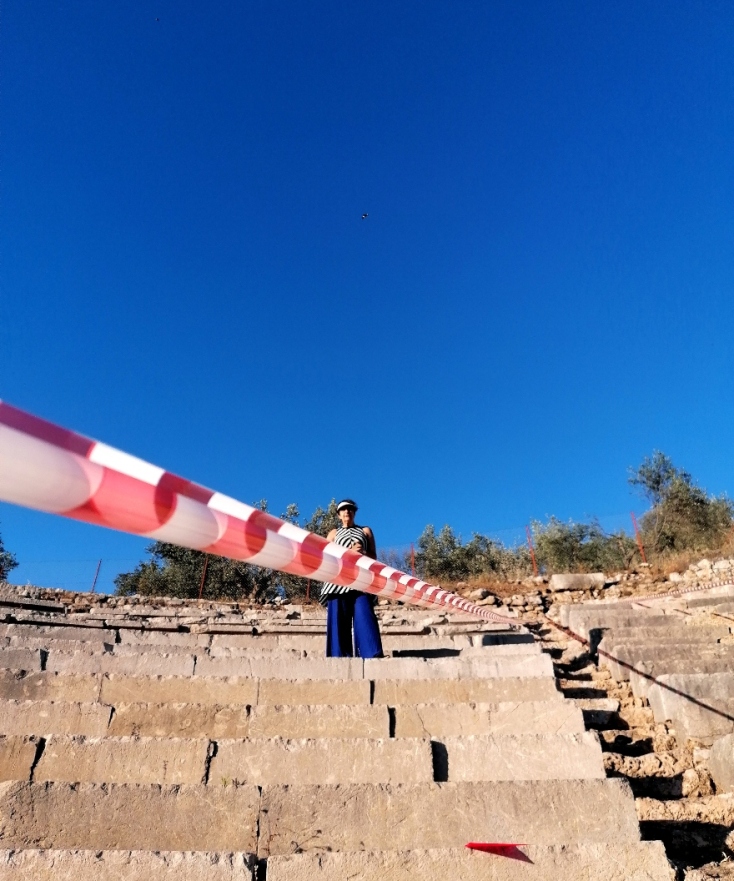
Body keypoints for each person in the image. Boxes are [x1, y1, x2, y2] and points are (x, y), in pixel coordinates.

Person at [321, 498, 383, 658]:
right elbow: (326, 556)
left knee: (365, 614)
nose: (347, 511)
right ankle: (339, 657)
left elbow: (373, 556)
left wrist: (362, 552)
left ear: (354, 512)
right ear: (338, 515)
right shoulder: (333, 533)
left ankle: (372, 654)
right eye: (343, 509)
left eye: (350, 509)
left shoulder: (365, 531)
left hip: (361, 579)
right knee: (338, 620)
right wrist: (348, 551)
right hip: (338, 579)